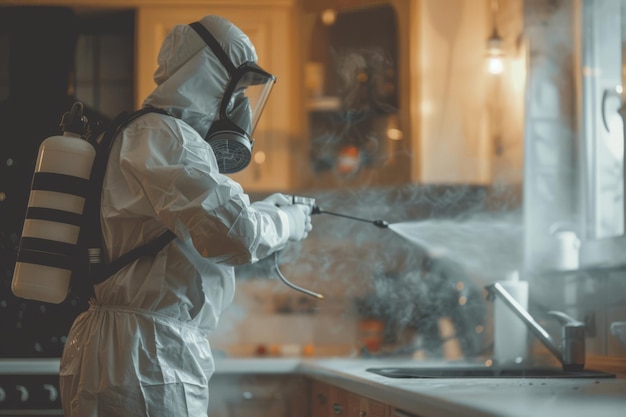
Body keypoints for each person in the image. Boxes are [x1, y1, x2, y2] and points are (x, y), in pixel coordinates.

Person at [59, 15, 312, 417]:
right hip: (148, 356)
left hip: (128, 348)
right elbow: (236, 235)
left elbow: (200, 223)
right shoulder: (166, 137)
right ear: (208, 76)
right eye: (237, 90)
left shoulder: (139, 133)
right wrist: (290, 223)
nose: (240, 107)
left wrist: (267, 209)